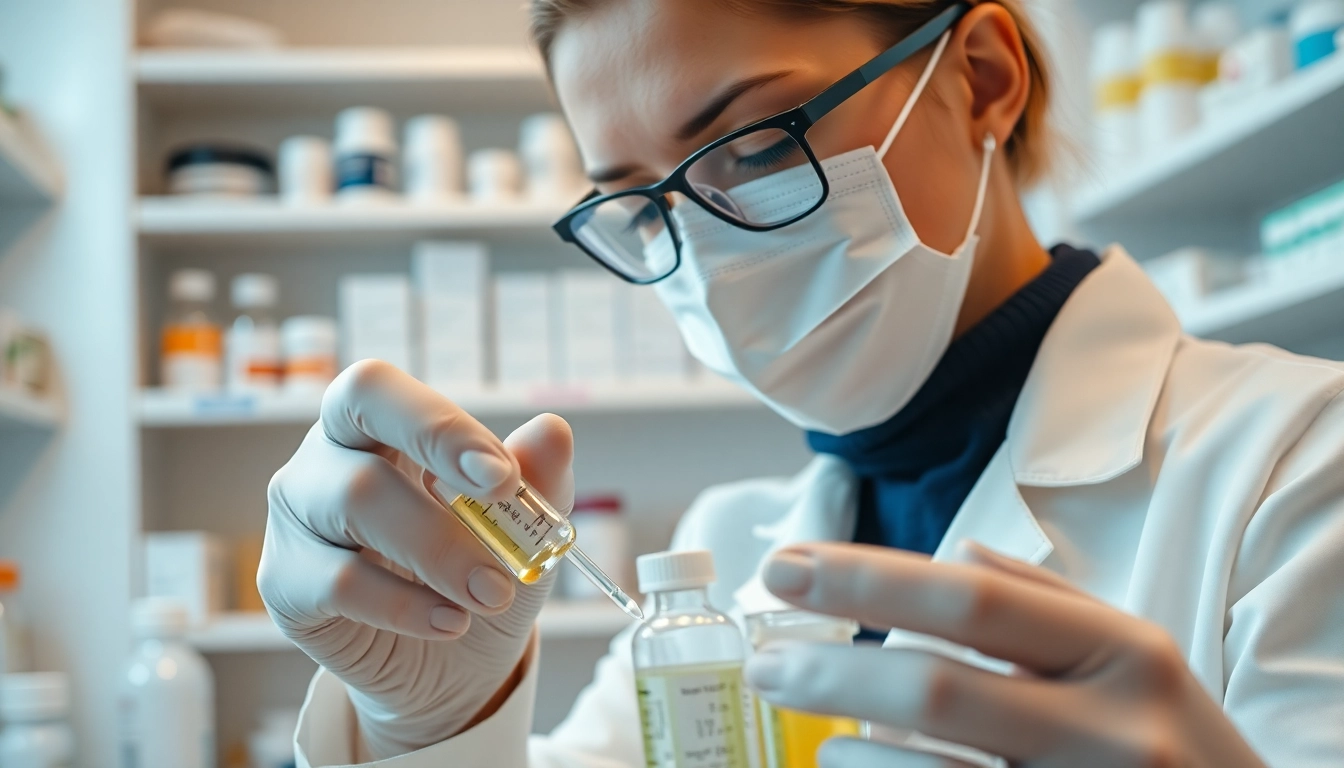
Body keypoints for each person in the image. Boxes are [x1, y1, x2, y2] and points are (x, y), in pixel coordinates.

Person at [261, 1, 1344, 765]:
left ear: (980, 81)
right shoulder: (733, 550)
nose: (706, 253)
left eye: (752, 145)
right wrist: (431, 730)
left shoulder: (1297, 464)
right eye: (640, 205)